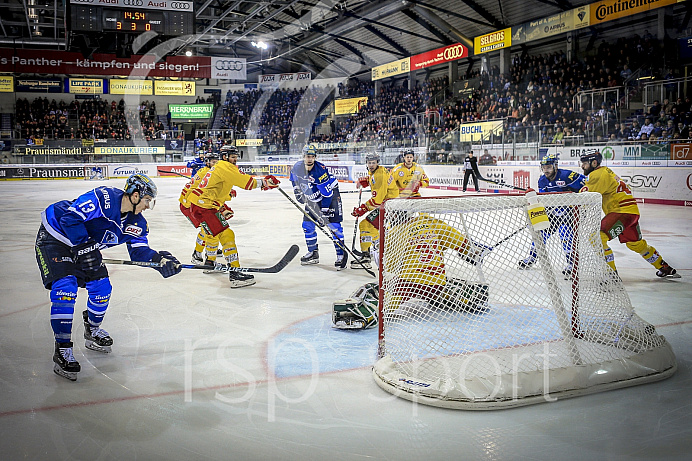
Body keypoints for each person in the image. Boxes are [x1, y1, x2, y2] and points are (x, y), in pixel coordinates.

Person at [35, 174, 182, 381]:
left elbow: (139, 252)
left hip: (85, 248)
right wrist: (84, 246)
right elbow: (70, 218)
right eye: (147, 200)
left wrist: (159, 261)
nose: (148, 206)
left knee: (102, 289)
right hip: (56, 236)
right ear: (135, 195)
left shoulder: (137, 223)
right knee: (65, 289)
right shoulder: (104, 198)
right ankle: (62, 349)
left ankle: (92, 329)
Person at [188, 145, 280, 287]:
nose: (235, 159)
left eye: (236, 156)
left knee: (214, 235)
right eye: (233, 156)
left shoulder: (220, 166)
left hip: (201, 206)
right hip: (204, 207)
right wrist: (265, 182)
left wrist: (222, 207)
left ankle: (210, 263)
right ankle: (235, 274)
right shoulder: (225, 166)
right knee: (227, 235)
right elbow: (246, 183)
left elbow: (224, 186)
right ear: (225, 157)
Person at [579, 150, 679, 278]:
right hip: (632, 213)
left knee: (597, 237)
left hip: (621, 212)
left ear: (594, 163)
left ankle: (610, 275)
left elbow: (584, 197)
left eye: (585, 163)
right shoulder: (606, 171)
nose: (582, 166)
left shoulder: (597, 174)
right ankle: (664, 267)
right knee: (636, 244)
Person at [378, 211, 490, 315]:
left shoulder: (394, 233)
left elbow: (389, 266)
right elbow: (456, 239)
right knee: (437, 290)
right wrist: (469, 251)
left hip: (409, 282)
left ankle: (370, 313)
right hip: (437, 281)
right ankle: (464, 297)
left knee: (380, 293)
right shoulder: (428, 221)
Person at [518, 153, 586, 276]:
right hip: (555, 214)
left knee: (564, 233)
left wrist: (575, 205)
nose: (546, 170)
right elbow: (545, 200)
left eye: (548, 167)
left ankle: (571, 263)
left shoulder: (567, 176)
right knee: (539, 233)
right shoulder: (542, 180)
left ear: (555, 166)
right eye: (544, 168)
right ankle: (532, 257)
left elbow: (586, 187)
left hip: (570, 214)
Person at [290, 145, 347, 270]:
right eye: (307, 156)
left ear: (315, 157)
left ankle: (341, 255)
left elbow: (327, 195)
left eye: (311, 157)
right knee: (307, 225)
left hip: (330, 196)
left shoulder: (320, 171)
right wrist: (297, 191)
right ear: (303, 157)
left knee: (334, 227)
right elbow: (293, 179)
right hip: (313, 197)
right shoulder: (297, 167)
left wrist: (324, 213)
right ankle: (313, 253)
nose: (309, 159)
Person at [179, 151, 229, 269]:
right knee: (208, 229)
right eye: (213, 162)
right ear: (207, 162)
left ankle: (209, 250)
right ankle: (198, 254)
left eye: (217, 162)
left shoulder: (206, 171)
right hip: (189, 204)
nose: (216, 164)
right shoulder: (209, 173)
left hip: (189, 202)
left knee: (208, 228)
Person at [351, 153, 399, 269]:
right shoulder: (376, 172)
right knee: (373, 228)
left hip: (389, 205)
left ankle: (366, 257)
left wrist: (362, 209)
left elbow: (377, 201)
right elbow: (373, 179)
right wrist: (366, 181)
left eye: (373, 163)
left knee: (365, 225)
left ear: (378, 162)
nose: (371, 165)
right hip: (389, 203)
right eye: (369, 163)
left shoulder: (380, 175)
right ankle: (378, 250)